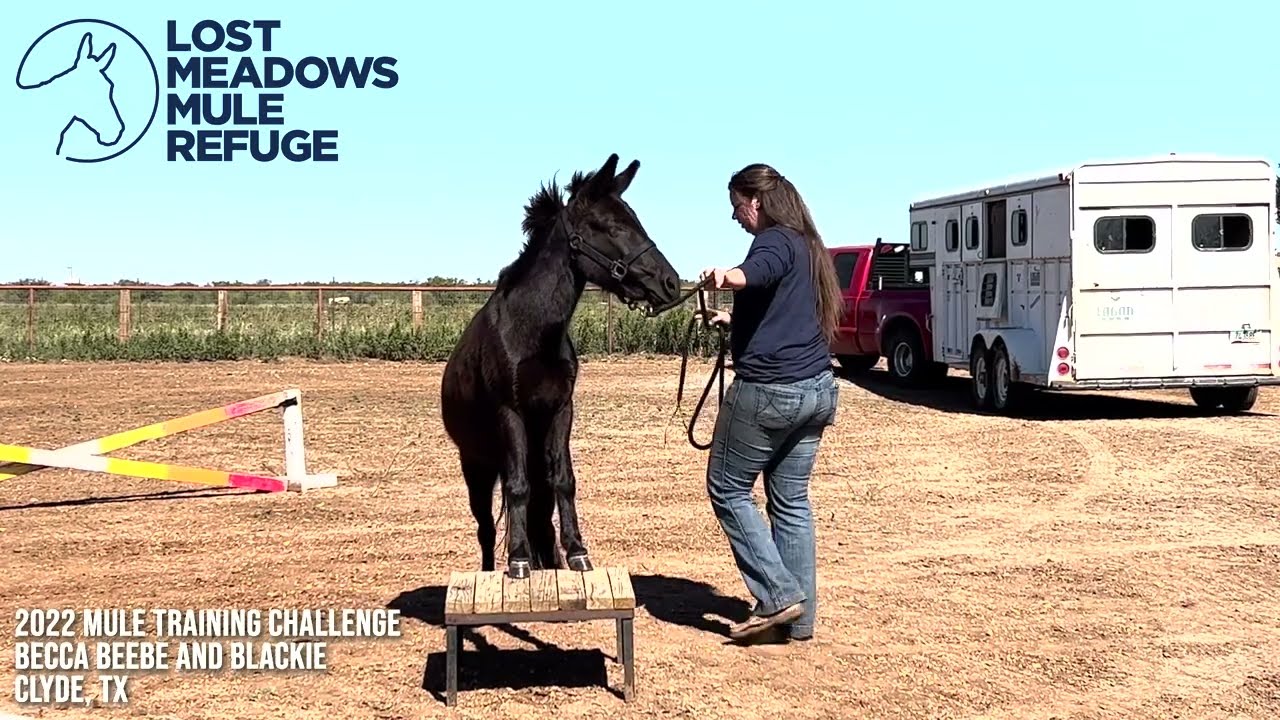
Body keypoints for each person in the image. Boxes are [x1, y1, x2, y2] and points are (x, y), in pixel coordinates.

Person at [697, 162, 842, 643]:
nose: (735, 217)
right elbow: (779, 305)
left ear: (754, 201)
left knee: (726, 487)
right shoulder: (805, 243)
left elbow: (755, 273)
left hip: (771, 391)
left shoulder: (774, 241)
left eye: (736, 206)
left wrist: (727, 276)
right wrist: (730, 321)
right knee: (791, 501)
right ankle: (799, 623)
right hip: (817, 388)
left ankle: (779, 594)